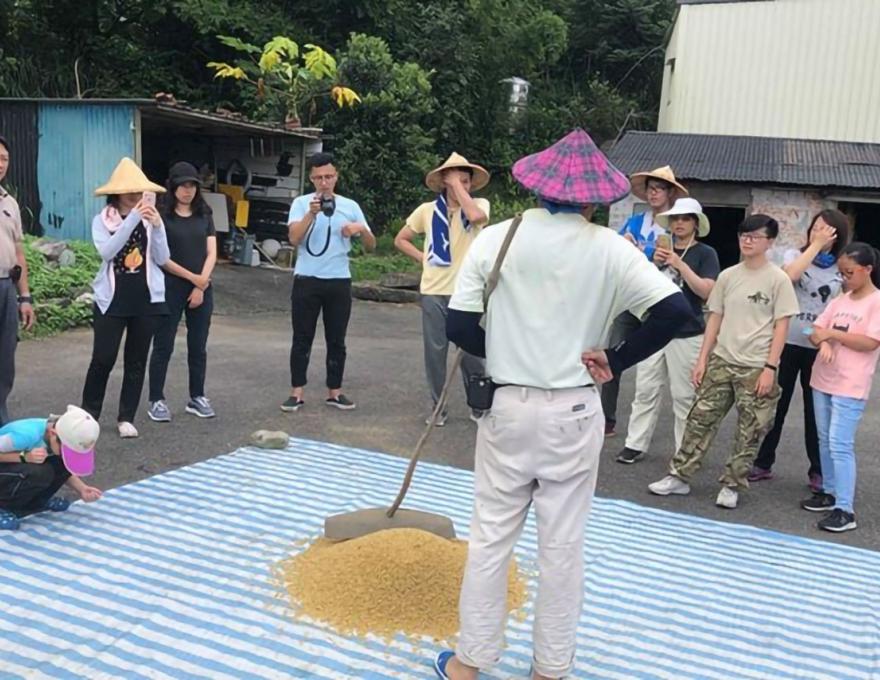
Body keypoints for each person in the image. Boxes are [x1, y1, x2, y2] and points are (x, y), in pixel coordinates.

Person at [436, 129, 691, 680]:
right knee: (562, 547)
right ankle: (550, 668)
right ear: (595, 199)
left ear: (534, 186)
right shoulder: (610, 249)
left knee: (490, 540)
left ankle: (468, 661)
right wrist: (617, 358)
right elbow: (678, 316)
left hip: (506, 406)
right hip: (576, 407)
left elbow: (458, 324)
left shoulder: (497, 237)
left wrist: (504, 346)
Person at [649, 214, 799, 510]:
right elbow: (714, 317)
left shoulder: (778, 279)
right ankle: (679, 475)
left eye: (755, 236)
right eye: (744, 235)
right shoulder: (729, 276)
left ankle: (732, 483)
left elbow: (782, 325)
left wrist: (770, 367)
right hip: (721, 359)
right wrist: (702, 359)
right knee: (700, 419)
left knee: (750, 429)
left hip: (756, 365)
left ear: (769, 242)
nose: (747, 240)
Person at [748, 210, 849, 491]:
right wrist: (816, 245)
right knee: (774, 405)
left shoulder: (841, 267)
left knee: (815, 412)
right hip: (787, 343)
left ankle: (818, 470)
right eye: (816, 227)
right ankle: (763, 462)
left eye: (826, 230)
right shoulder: (795, 256)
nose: (819, 232)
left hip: (820, 348)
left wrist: (831, 340)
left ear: (838, 235)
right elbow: (788, 277)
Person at [617, 197, 720, 464]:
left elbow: (707, 291)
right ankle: (634, 443)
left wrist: (679, 264)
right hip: (653, 327)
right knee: (645, 389)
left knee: (684, 395)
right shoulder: (657, 249)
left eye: (685, 218)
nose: (679, 223)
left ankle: (683, 452)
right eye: (675, 218)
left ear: (696, 224)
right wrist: (648, 260)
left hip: (687, 332)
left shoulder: (706, 253)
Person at [394, 153, 491, 426]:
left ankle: (479, 405)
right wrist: (423, 257)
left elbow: (475, 216)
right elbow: (401, 239)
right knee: (435, 353)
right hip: (434, 289)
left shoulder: (478, 204)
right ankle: (438, 408)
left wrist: (458, 187)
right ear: (443, 184)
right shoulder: (427, 211)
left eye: (467, 181)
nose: (463, 186)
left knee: (471, 353)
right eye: (456, 180)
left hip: (467, 291)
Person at [81, 158, 170, 439]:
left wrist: (157, 225)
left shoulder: (149, 219)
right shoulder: (102, 220)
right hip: (112, 300)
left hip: (145, 299)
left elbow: (163, 257)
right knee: (103, 358)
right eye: (128, 189)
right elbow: (108, 251)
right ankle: (88, 415)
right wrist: (133, 218)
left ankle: (126, 416)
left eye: (138, 189)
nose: (134, 194)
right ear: (117, 192)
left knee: (136, 360)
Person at [282, 152, 375, 412]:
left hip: (338, 280)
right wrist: (310, 215)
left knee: (337, 339)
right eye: (319, 178)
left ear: (336, 177)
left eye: (329, 176)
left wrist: (360, 230)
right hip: (307, 279)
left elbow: (371, 245)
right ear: (311, 179)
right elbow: (294, 239)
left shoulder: (350, 205)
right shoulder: (301, 204)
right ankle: (296, 392)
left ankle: (335, 391)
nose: (324, 182)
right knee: (302, 337)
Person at [800, 242, 880, 533]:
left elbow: (870, 342)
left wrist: (832, 334)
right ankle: (829, 492)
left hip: (850, 383)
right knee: (824, 439)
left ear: (867, 269)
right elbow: (811, 329)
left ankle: (845, 509)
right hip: (823, 379)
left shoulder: (876, 302)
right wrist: (821, 341)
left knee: (840, 444)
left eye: (849, 272)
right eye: (841, 273)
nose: (844, 278)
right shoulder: (838, 300)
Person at [601, 166, 687, 436]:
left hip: (661, 297)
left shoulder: (676, 225)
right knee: (612, 350)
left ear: (670, 193)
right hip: (631, 295)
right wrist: (636, 249)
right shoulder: (636, 220)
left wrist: (639, 250)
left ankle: (654, 428)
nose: (653, 193)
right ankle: (607, 417)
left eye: (659, 188)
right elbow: (617, 248)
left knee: (661, 366)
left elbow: (669, 254)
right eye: (650, 188)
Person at [147, 161, 217, 422]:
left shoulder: (205, 214)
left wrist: (202, 282)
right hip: (171, 287)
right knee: (163, 344)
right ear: (173, 186)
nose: (188, 191)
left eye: (192, 186)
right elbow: (161, 258)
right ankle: (156, 399)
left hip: (203, 288)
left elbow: (212, 252)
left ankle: (197, 396)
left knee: (198, 345)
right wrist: (194, 279)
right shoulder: (162, 217)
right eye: (183, 185)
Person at [0, 405, 102, 530]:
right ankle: (3, 507)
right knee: (39, 472)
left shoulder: (57, 434)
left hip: (17, 466)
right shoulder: (25, 434)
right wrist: (23, 457)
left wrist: (81, 488)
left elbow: (67, 466)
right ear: (53, 434)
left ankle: (37, 501)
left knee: (60, 462)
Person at [0, 135, 36, 425]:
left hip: (7, 287)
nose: (0, 164)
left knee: (5, 359)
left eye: (4, 159)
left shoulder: (9, 202)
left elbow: (19, 252)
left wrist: (25, 297)